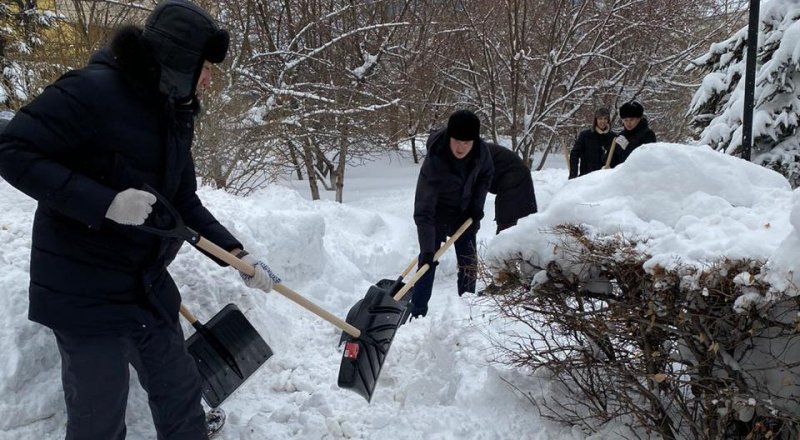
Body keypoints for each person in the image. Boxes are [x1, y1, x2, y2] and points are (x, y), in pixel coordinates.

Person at [0, 1, 276, 439]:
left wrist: (237, 254)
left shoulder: (174, 112)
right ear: (178, 58)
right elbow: (12, 150)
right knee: (99, 418)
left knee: (181, 394)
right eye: (204, 66)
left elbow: (182, 202)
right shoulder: (90, 92)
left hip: (142, 286)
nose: (208, 78)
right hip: (82, 289)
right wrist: (104, 202)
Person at [410, 110, 494, 319]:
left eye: (467, 143)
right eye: (457, 141)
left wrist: (477, 205)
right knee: (427, 262)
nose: (461, 147)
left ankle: (466, 311)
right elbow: (424, 210)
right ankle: (418, 312)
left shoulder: (481, 152)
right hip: (436, 215)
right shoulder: (435, 161)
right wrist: (428, 249)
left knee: (469, 264)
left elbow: (486, 176)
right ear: (449, 137)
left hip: (465, 214)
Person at [487, 143, 537, 234]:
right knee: (508, 219)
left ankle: (506, 246)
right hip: (509, 179)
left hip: (515, 179)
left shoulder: (476, 153)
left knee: (508, 220)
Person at [606, 100, 657, 168]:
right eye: (625, 120)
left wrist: (627, 147)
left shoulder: (648, 135)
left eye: (632, 120)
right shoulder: (622, 135)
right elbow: (611, 158)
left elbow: (644, 159)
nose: (628, 123)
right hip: (621, 174)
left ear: (639, 119)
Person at [569, 107, 614, 178]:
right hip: (587, 177)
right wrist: (573, 174)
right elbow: (574, 154)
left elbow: (618, 157)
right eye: (600, 118)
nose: (603, 121)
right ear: (595, 120)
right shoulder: (585, 135)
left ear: (608, 120)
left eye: (605, 118)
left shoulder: (613, 137)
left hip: (606, 178)